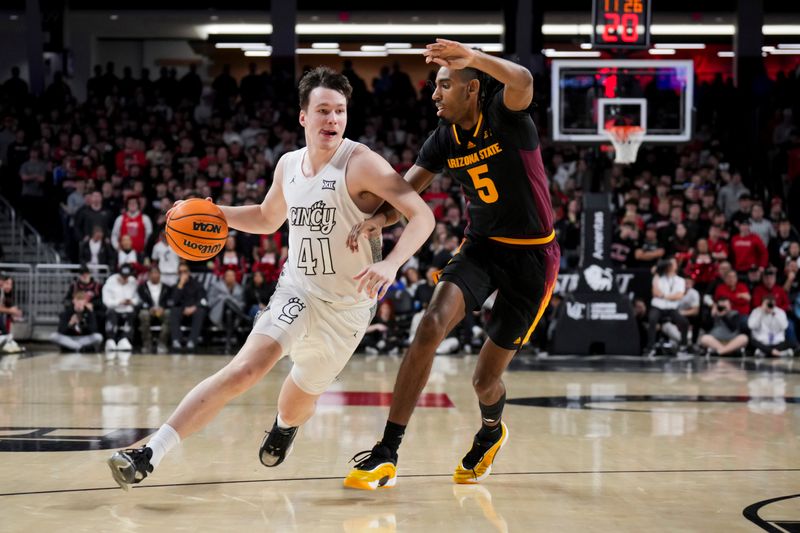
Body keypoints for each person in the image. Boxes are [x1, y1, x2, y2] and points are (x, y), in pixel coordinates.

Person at [107, 66, 434, 490]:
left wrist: (391, 263)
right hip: (297, 290)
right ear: (303, 117)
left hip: (348, 310)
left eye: (339, 111)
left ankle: (284, 425)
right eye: (323, 111)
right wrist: (218, 213)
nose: (332, 119)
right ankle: (148, 453)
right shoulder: (288, 165)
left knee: (297, 404)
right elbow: (266, 218)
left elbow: (422, 215)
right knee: (246, 368)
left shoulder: (362, 163)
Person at [343, 39, 559, 489]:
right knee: (430, 324)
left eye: (445, 85)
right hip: (481, 247)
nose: (435, 94)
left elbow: (524, 80)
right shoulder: (442, 138)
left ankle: (491, 430)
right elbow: (404, 194)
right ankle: (386, 452)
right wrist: (375, 220)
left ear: (473, 90)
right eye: (434, 86)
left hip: (533, 258)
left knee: (485, 381)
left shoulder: (506, 115)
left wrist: (475, 58)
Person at [645, 258, 690, 356]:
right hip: (658, 306)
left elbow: (679, 295)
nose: (671, 265)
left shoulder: (680, 280)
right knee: (652, 320)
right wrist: (656, 273)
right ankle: (650, 347)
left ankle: (683, 346)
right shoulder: (658, 278)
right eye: (669, 264)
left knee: (684, 322)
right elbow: (655, 292)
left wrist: (664, 296)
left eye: (673, 264)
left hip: (671, 308)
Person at [168, 263, 207, 351]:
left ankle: (192, 341)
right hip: (181, 310)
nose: (183, 274)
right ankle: (176, 340)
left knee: (201, 311)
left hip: (194, 309)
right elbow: (173, 301)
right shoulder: (176, 286)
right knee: (173, 311)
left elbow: (203, 299)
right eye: (180, 272)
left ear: (189, 272)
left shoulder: (197, 284)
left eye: (185, 271)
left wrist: (194, 307)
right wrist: (180, 285)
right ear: (178, 274)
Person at [102, 263, 139, 354]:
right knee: (111, 314)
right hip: (114, 309)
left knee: (132, 314)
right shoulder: (110, 282)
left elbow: (137, 298)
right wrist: (119, 302)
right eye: (123, 276)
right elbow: (106, 301)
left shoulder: (133, 281)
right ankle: (111, 339)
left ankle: (125, 338)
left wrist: (131, 302)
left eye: (127, 276)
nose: (125, 279)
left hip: (128, 309)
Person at [137, 265, 172, 354]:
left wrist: (163, 308)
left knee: (169, 313)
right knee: (144, 314)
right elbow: (140, 301)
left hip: (161, 311)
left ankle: (162, 343)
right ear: (149, 275)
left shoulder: (166, 288)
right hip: (149, 311)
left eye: (157, 273)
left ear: (160, 275)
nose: (155, 275)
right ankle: (147, 344)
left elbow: (170, 301)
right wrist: (149, 308)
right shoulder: (142, 287)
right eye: (153, 273)